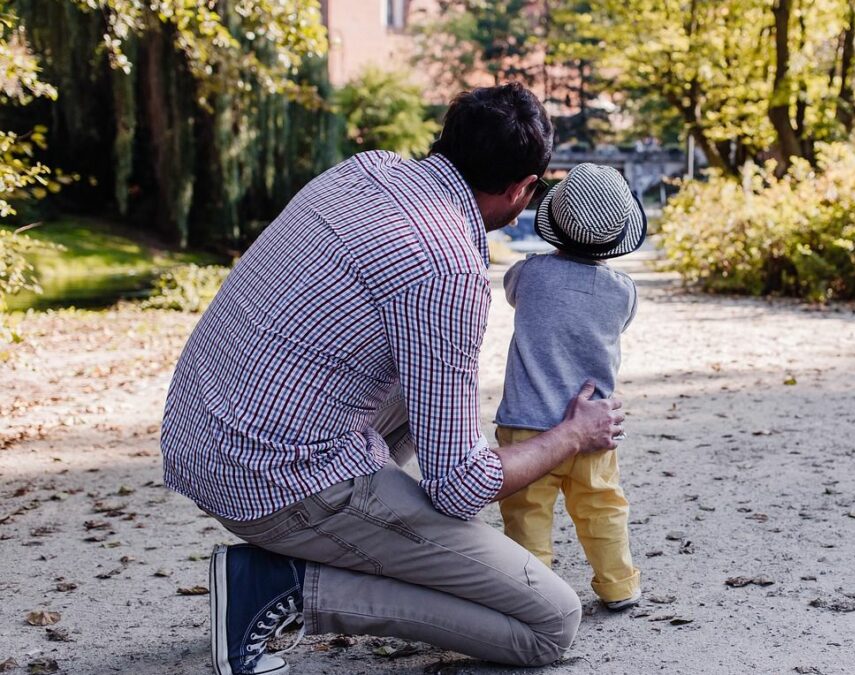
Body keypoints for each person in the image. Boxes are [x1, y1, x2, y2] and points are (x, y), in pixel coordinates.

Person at [159, 83, 626, 675]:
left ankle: (376, 536)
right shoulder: (449, 266)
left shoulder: (366, 169)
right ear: (523, 189)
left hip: (202, 433)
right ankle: (281, 588)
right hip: (273, 482)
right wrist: (571, 436)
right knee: (548, 622)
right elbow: (462, 485)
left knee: (427, 383)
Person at [495, 163, 646, 612]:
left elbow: (509, 292)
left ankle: (534, 595)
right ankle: (619, 585)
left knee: (527, 516)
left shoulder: (529, 275)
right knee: (603, 507)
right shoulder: (623, 291)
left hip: (526, 429)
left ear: (554, 225)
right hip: (594, 427)